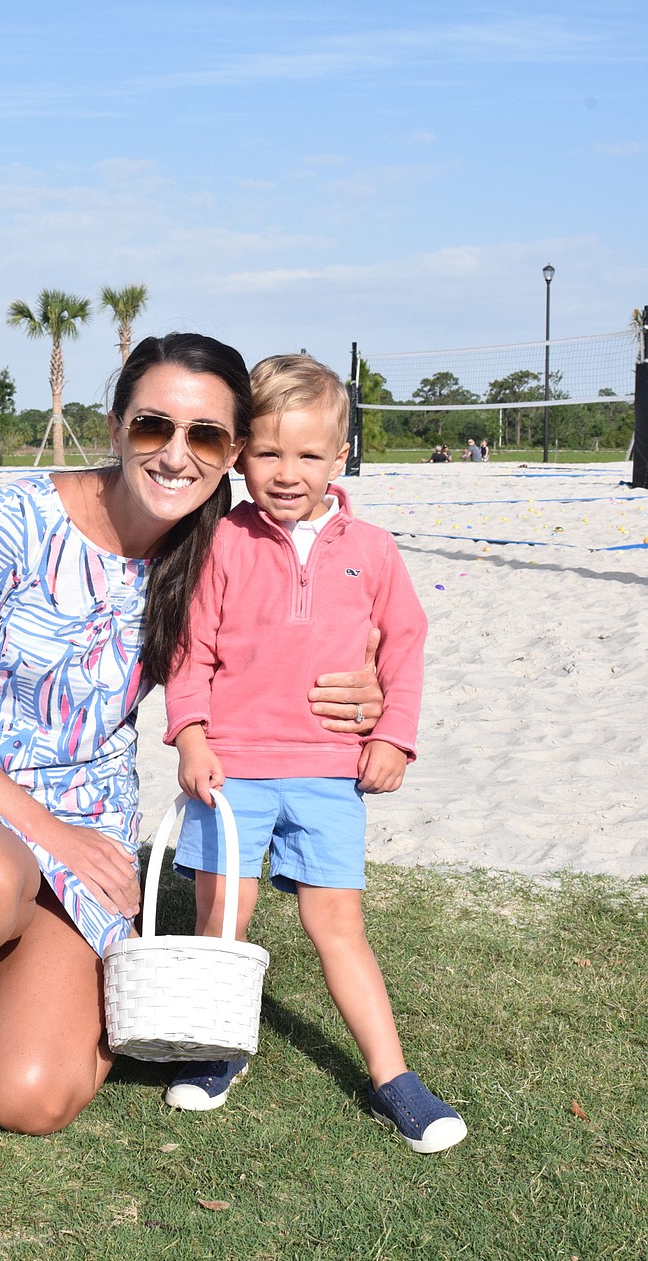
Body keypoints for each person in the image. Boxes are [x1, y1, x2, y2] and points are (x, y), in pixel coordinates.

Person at [0, 333, 384, 1136]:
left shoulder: (215, 550)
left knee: (33, 1098)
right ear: (115, 426)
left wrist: (369, 682)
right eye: (153, 425)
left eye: (205, 435)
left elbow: (270, 656)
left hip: (90, 813)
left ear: (232, 452)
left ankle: (3, 981)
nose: (176, 454)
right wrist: (50, 836)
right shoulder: (21, 520)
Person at [162, 354, 467, 1154]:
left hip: (330, 773)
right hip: (231, 771)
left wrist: (393, 733)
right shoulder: (221, 542)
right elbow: (190, 654)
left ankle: (393, 1076)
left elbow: (404, 644)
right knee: (221, 918)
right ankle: (217, 1045)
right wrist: (191, 736)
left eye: (307, 454)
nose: (287, 472)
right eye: (267, 452)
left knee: (338, 925)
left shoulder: (374, 548)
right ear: (240, 455)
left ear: (340, 456)